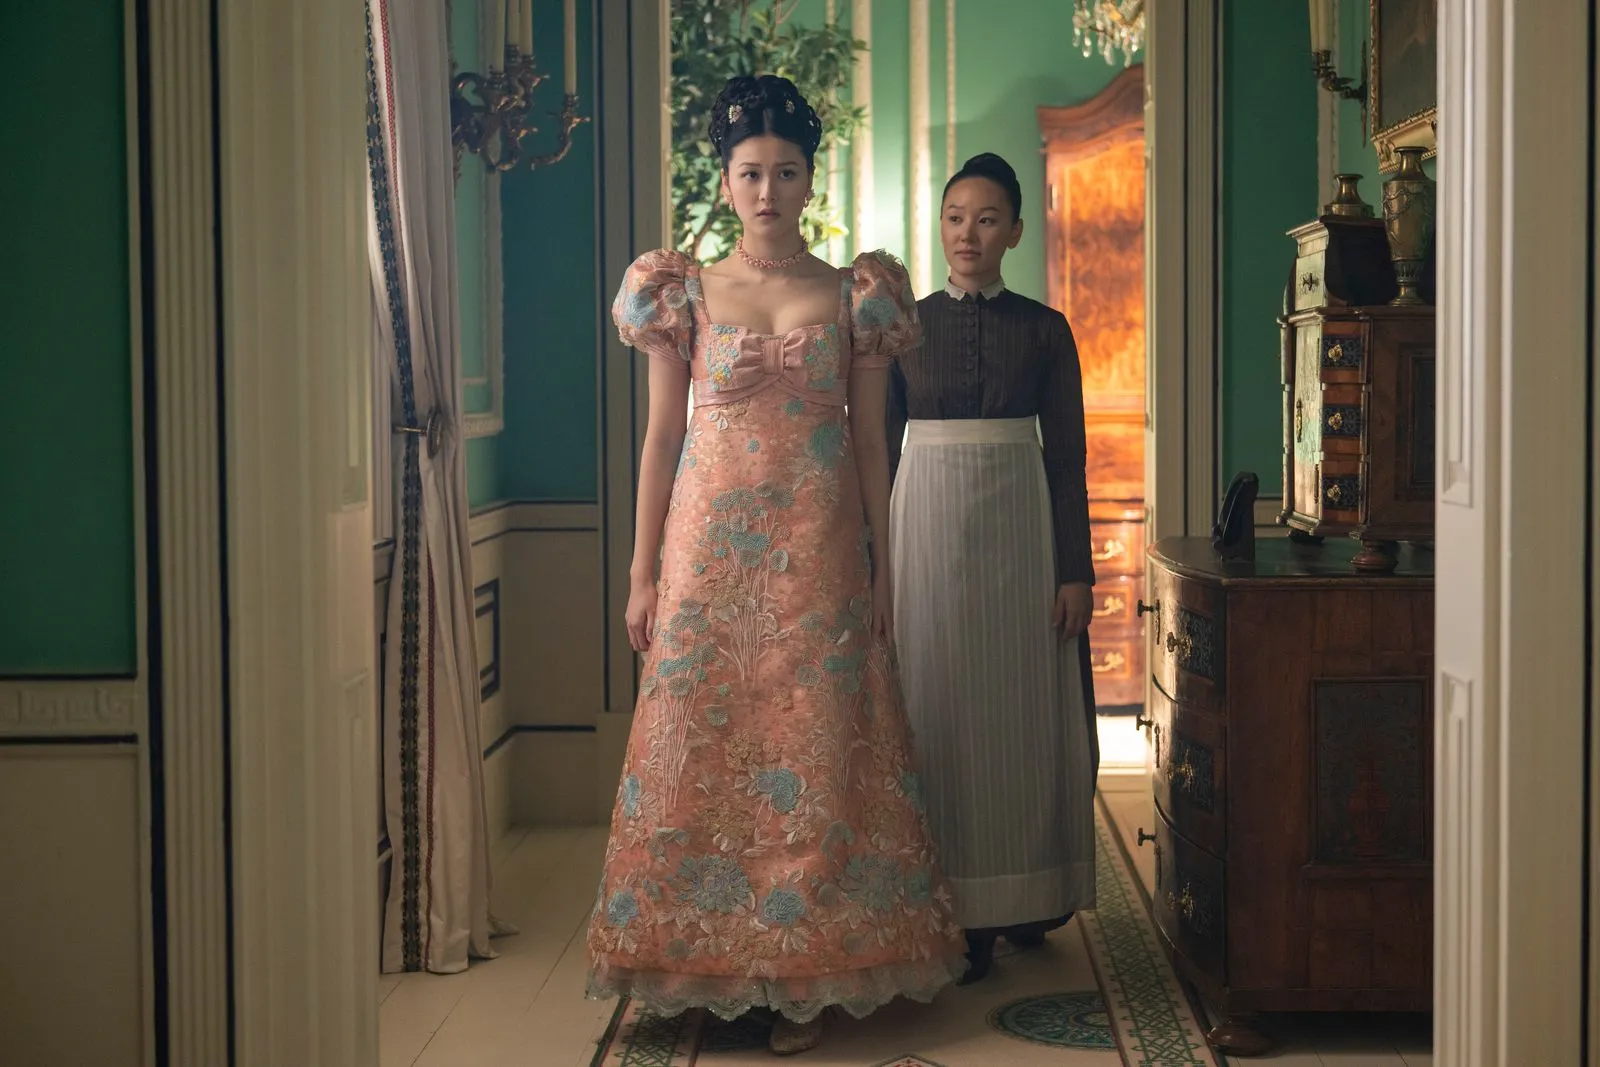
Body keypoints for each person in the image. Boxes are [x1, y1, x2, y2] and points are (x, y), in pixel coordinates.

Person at [585, 74, 966, 1056]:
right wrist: (640, 572)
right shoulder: (681, 290)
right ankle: (702, 961)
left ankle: (802, 976)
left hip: (819, 550)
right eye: (750, 172)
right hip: (707, 551)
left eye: (786, 172)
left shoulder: (855, 292)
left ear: (809, 180)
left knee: (812, 748)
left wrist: (882, 566)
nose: (767, 190)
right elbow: (661, 437)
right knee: (702, 748)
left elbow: (874, 442)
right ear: (724, 179)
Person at [886, 152, 1100, 985]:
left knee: (1018, 712)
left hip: (1021, 537)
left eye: (985, 219)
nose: (967, 234)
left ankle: (1026, 893)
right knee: (933, 706)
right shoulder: (902, 327)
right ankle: (951, 912)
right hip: (924, 532)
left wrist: (1076, 572)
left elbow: (1068, 460)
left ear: (1014, 231)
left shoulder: (1047, 330)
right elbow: (877, 453)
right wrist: (871, 564)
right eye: (954, 218)